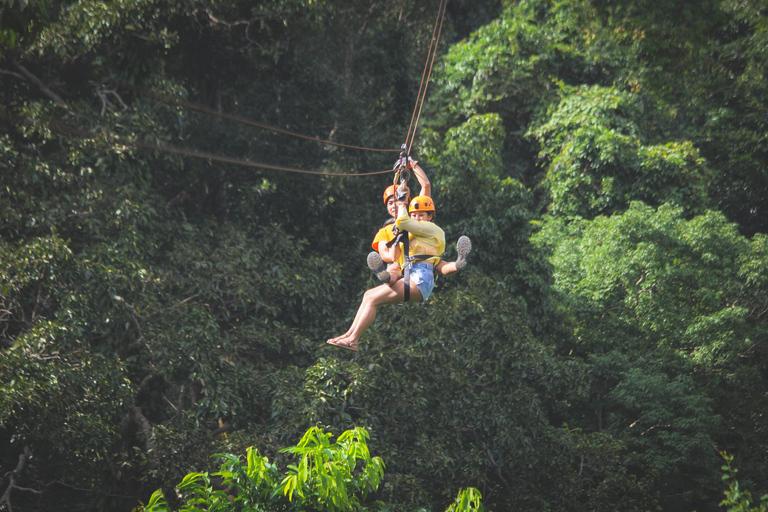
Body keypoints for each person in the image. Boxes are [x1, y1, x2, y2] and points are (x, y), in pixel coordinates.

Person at [327, 195, 445, 351]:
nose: (417, 218)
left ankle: (353, 340)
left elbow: (404, 220)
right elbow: (395, 256)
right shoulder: (414, 235)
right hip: (414, 277)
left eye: (421, 215)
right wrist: (398, 236)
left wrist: (403, 203)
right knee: (369, 295)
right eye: (414, 215)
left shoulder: (431, 228)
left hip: (420, 278)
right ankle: (348, 336)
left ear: (430, 216)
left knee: (373, 299)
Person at [367, 161, 471, 284]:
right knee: (394, 267)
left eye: (396, 201)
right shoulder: (385, 230)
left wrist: (412, 164)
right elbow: (384, 254)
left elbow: (426, 185)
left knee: (439, 264)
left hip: (422, 257)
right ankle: (387, 277)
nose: (393, 205)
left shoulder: (415, 218)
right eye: (390, 203)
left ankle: (457, 264)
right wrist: (400, 255)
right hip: (401, 262)